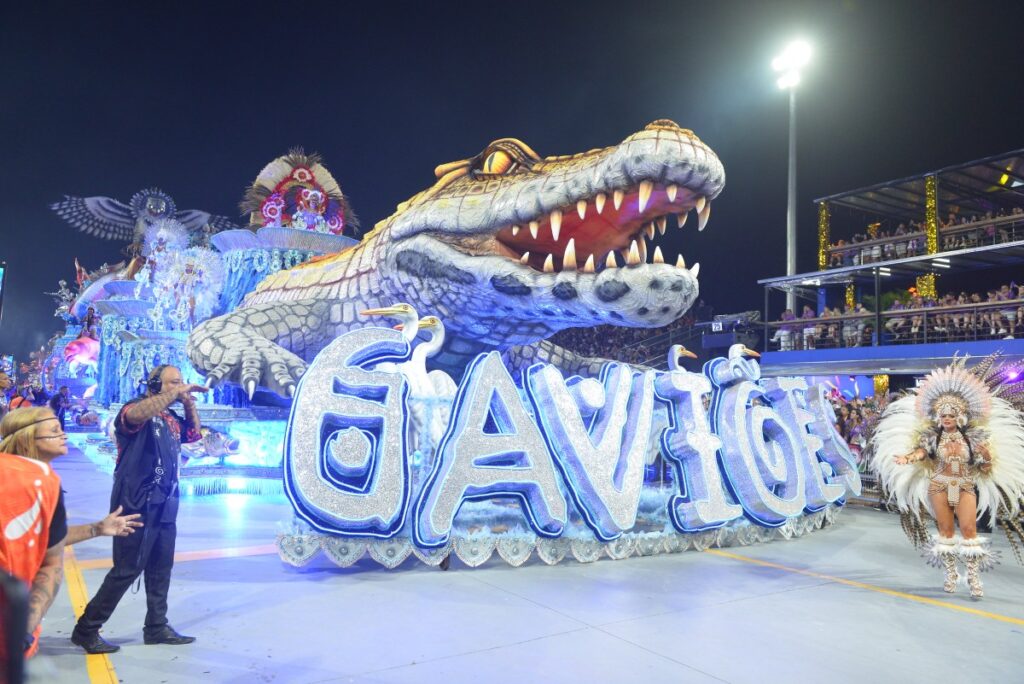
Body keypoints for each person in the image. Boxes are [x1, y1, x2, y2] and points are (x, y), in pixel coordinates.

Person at [71, 365, 207, 654]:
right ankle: (86, 628)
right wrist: (173, 395)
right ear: (155, 384)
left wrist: (188, 403)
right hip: (135, 500)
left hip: (165, 501)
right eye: (173, 382)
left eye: (181, 382)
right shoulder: (135, 409)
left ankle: (156, 626)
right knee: (128, 567)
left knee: (161, 566)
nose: (179, 386)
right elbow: (134, 416)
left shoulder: (170, 417)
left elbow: (194, 436)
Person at [871, 355, 1024, 598]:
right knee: (945, 533)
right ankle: (951, 572)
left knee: (969, 530)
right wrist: (907, 458)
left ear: (960, 417)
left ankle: (973, 576)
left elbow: (984, 469)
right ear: (938, 418)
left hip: (964, 486)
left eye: (951, 416)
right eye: (943, 416)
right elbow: (922, 452)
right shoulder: (932, 436)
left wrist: (986, 457)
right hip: (939, 486)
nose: (947, 419)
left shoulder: (973, 438)